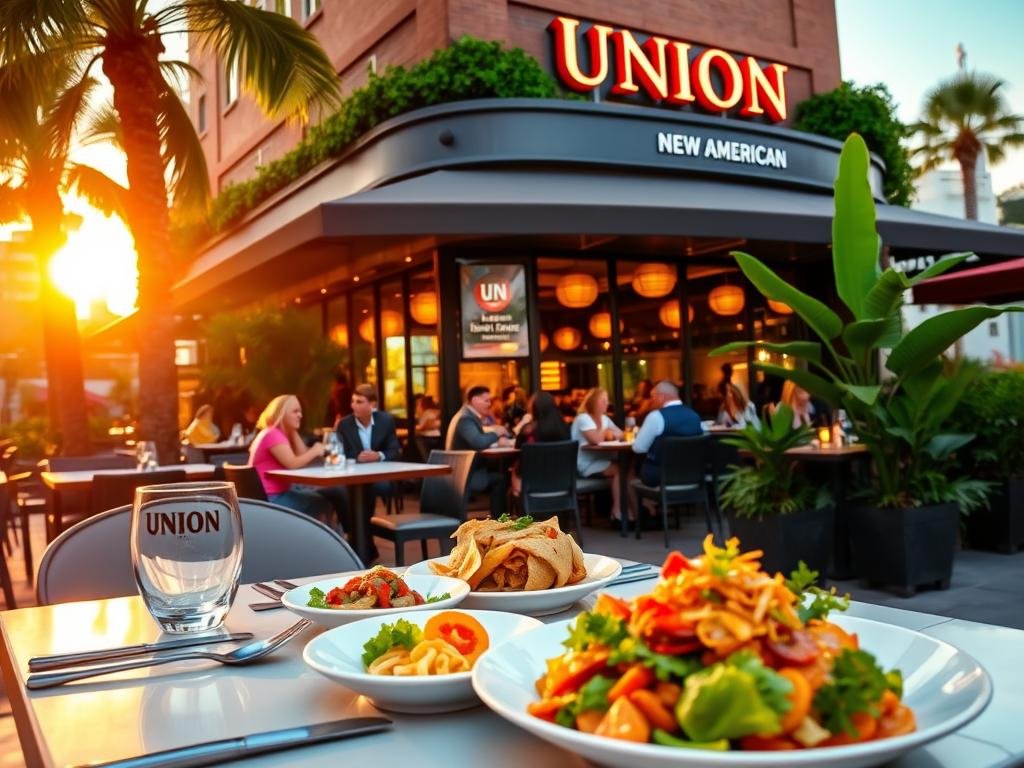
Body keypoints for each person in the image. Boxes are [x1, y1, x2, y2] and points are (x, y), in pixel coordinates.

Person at [248, 394, 347, 525]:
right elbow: (293, 464)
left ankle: (325, 540)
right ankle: (329, 542)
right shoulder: (273, 434)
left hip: (271, 495)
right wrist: (315, 450)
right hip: (271, 499)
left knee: (329, 496)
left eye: (300, 411)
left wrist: (293, 431)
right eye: (295, 411)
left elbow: (302, 455)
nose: (300, 415)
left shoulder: (275, 433)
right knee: (323, 503)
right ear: (281, 414)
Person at [336, 384, 402, 562]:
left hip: (379, 476)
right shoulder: (344, 424)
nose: (353, 405)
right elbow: (338, 454)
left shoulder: (385, 420)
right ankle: (362, 547)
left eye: (359, 401)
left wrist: (378, 455)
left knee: (367, 492)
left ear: (372, 405)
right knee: (350, 494)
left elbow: (395, 450)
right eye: (353, 401)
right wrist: (355, 458)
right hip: (352, 477)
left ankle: (361, 548)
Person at [445, 385, 514, 513]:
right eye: (487, 400)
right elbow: (479, 442)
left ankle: (499, 522)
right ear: (475, 400)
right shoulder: (465, 418)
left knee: (499, 473)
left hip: (463, 470)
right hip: (466, 474)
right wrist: (497, 433)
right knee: (501, 479)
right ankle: (499, 522)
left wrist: (496, 442)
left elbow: (476, 441)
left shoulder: (466, 415)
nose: (489, 404)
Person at [571, 387, 630, 523]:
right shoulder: (583, 418)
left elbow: (621, 434)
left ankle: (632, 512)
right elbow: (596, 439)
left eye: (607, 400)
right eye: (603, 400)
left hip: (602, 460)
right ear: (593, 402)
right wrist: (606, 431)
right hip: (586, 463)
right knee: (619, 470)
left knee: (628, 469)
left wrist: (607, 431)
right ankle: (617, 511)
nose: (606, 403)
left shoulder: (604, 418)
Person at [632, 380, 703, 487]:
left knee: (634, 472)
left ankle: (647, 503)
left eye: (653, 397)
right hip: (693, 477)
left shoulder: (656, 416)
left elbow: (638, 448)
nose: (651, 401)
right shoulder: (695, 416)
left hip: (661, 478)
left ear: (661, 397)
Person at [511, 391, 568, 496]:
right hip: (561, 481)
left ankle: (520, 504)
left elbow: (517, 449)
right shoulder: (565, 428)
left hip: (533, 481)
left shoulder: (528, 429)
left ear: (534, 408)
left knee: (514, 468)